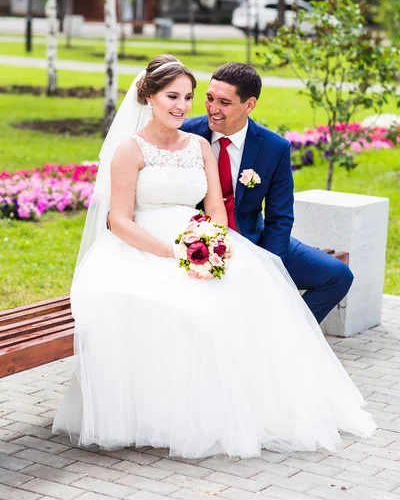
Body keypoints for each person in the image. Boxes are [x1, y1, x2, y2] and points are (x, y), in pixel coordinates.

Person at [53, 55, 375, 459]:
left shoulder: (217, 145)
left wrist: (220, 247)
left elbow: (236, 211)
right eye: (178, 96)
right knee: (191, 311)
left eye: (189, 97)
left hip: (213, 239)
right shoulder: (138, 147)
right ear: (148, 96)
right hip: (147, 246)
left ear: (249, 104)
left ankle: (263, 381)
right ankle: (174, 408)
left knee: (257, 289)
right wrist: (175, 253)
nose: (187, 106)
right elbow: (119, 220)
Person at [181, 62, 353, 324]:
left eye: (224, 102)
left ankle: (291, 333)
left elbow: (280, 216)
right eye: (209, 98)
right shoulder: (187, 134)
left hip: (253, 238)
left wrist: (272, 267)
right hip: (196, 243)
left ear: (249, 105)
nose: (212, 109)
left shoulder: (274, 147)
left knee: (338, 275)